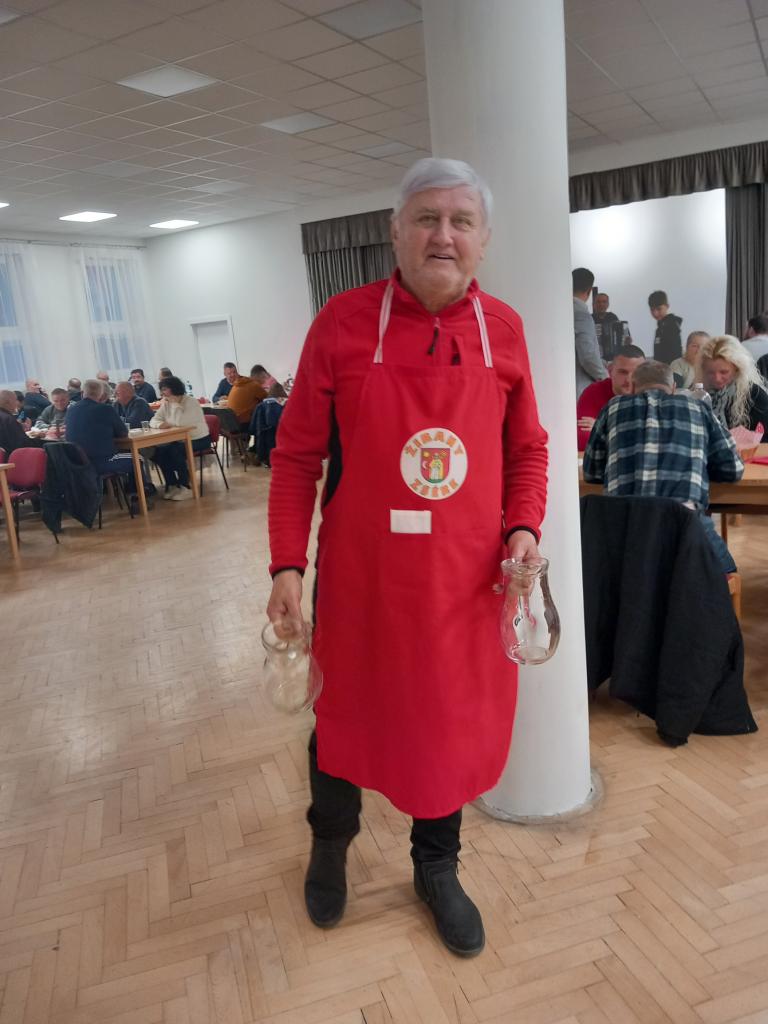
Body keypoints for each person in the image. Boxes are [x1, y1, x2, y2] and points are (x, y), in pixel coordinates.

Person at [266, 157, 548, 957]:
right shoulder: (342, 324)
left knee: (445, 723)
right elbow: (296, 457)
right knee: (342, 716)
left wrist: (525, 528)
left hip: (465, 584)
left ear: (484, 240)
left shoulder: (505, 331)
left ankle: (436, 867)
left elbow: (527, 450)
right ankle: (330, 845)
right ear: (395, 233)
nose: (443, 235)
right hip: (364, 581)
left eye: (461, 221)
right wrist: (287, 564)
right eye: (426, 218)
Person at [583, 360, 743, 573]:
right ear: (674, 388)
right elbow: (733, 469)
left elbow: (591, 472)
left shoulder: (612, 408)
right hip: (684, 527)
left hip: (624, 534)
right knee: (728, 572)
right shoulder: (698, 408)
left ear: (633, 386)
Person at [64, 379, 139, 495]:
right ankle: (136, 496)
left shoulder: (70, 410)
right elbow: (123, 433)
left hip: (77, 463)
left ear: (82, 393)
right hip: (101, 462)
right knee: (138, 459)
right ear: (101, 395)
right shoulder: (106, 409)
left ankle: (112, 492)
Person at [150, 374, 210, 500]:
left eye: (164, 389)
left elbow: (181, 423)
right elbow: (153, 420)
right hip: (178, 439)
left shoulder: (191, 402)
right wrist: (160, 424)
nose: (162, 393)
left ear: (174, 388)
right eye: (161, 390)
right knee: (160, 451)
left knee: (174, 450)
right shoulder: (167, 403)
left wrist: (174, 406)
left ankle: (185, 486)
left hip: (198, 438)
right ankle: (172, 484)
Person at [576, 345, 646, 449]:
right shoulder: (594, 392)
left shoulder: (649, 394)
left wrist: (602, 428)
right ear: (610, 371)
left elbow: (655, 439)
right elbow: (581, 439)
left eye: (636, 373)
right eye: (623, 372)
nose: (629, 380)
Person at [699, 334, 768, 435]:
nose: (717, 378)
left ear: (737, 369)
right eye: (711, 373)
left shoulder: (755, 396)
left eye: (724, 372)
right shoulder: (698, 393)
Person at [573, 268, 608, 398]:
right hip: (582, 388)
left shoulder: (564, 310)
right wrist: (606, 379)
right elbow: (588, 357)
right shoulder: (581, 314)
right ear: (589, 291)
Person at [250, 382, 286, 467]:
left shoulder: (260, 406)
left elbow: (252, 428)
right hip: (280, 444)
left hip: (262, 446)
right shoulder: (284, 407)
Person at [648, 290, 683, 364]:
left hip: (670, 369)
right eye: (652, 310)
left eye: (659, 309)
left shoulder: (671, 326)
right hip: (660, 368)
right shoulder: (660, 327)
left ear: (667, 306)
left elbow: (675, 354)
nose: (655, 313)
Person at [592, 292, 627, 360]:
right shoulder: (590, 319)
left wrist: (626, 340)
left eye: (604, 302)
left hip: (613, 358)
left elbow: (622, 336)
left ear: (608, 304)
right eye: (598, 302)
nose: (601, 304)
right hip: (595, 357)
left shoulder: (613, 317)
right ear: (594, 304)